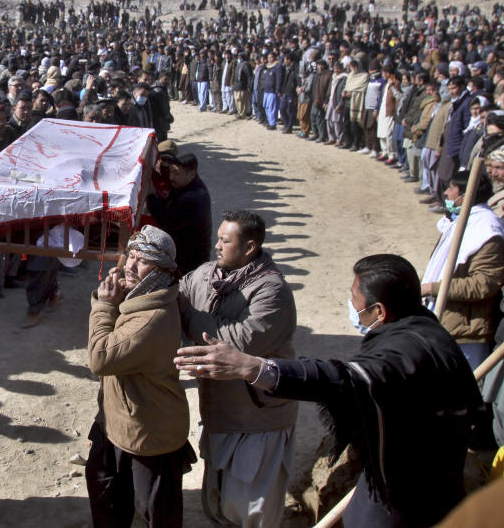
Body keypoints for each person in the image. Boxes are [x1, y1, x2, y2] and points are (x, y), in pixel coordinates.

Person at [175, 254, 483, 528]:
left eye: (354, 297)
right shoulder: (427, 329)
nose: (350, 304)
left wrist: (254, 368)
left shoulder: (402, 356)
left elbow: (341, 378)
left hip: (406, 496)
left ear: (379, 311)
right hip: (417, 475)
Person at [177, 209, 297, 528]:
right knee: (219, 501)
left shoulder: (273, 291)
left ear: (249, 248)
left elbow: (240, 342)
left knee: (253, 507)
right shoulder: (205, 274)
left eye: (225, 241)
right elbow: (178, 296)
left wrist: (191, 318)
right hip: (218, 410)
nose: (217, 246)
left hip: (257, 417)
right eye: (217, 239)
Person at [86, 225, 195, 528]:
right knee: (105, 490)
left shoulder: (152, 318)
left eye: (142, 260)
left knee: (156, 513)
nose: (131, 266)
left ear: (161, 270)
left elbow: (101, 357)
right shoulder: (141, 297)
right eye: (130, 256)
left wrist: (105, 306)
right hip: (118, 420)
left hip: (149, 431)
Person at [421, 169, 504, 369]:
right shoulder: (460, 221)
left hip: (466, 331)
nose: (447, 193)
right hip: (445, 322)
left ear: (466, 194)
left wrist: (433, 288)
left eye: (451, 188)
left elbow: (483, 284)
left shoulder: (486, 230)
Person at [146, 151, 212, 275]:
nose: (171, 177)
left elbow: (163, 220)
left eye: (177, 173)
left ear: (191, 174)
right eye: (171, 171)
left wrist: (150, 196)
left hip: (189, 262)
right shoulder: (188, 184)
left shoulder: (193, 198)